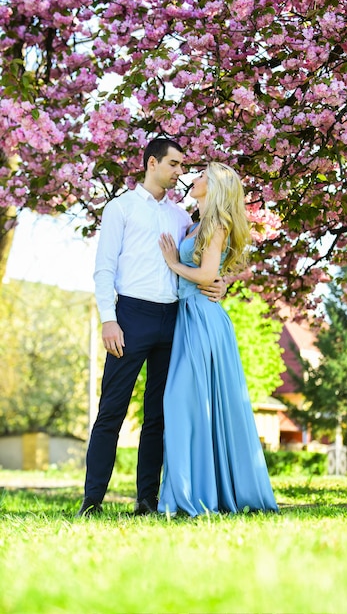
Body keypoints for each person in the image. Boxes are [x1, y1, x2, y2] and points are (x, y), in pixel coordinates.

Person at [76, 138, 225, 517]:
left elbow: (203, 261)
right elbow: (104, 269)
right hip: (130, 318)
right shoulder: (120, 208)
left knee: (158, 415)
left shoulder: (180, 218)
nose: (180, 172)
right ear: (152, 163)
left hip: (173, 320)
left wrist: (222, 282)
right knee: (112, 410)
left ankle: (147, 501)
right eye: (174, 164)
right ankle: (92, 501)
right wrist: (108, 319)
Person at [157, 162, 279, 517]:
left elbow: (208, 273)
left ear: (213, 187)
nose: (192, 179)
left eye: (200, 176)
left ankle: (192, 495)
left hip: (202, 319)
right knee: (190, 406)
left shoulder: (218, 225)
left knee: (181, 402)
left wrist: (172, 263)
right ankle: (193, 492)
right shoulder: (194, 224)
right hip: (190, 317)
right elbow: (214, 274)